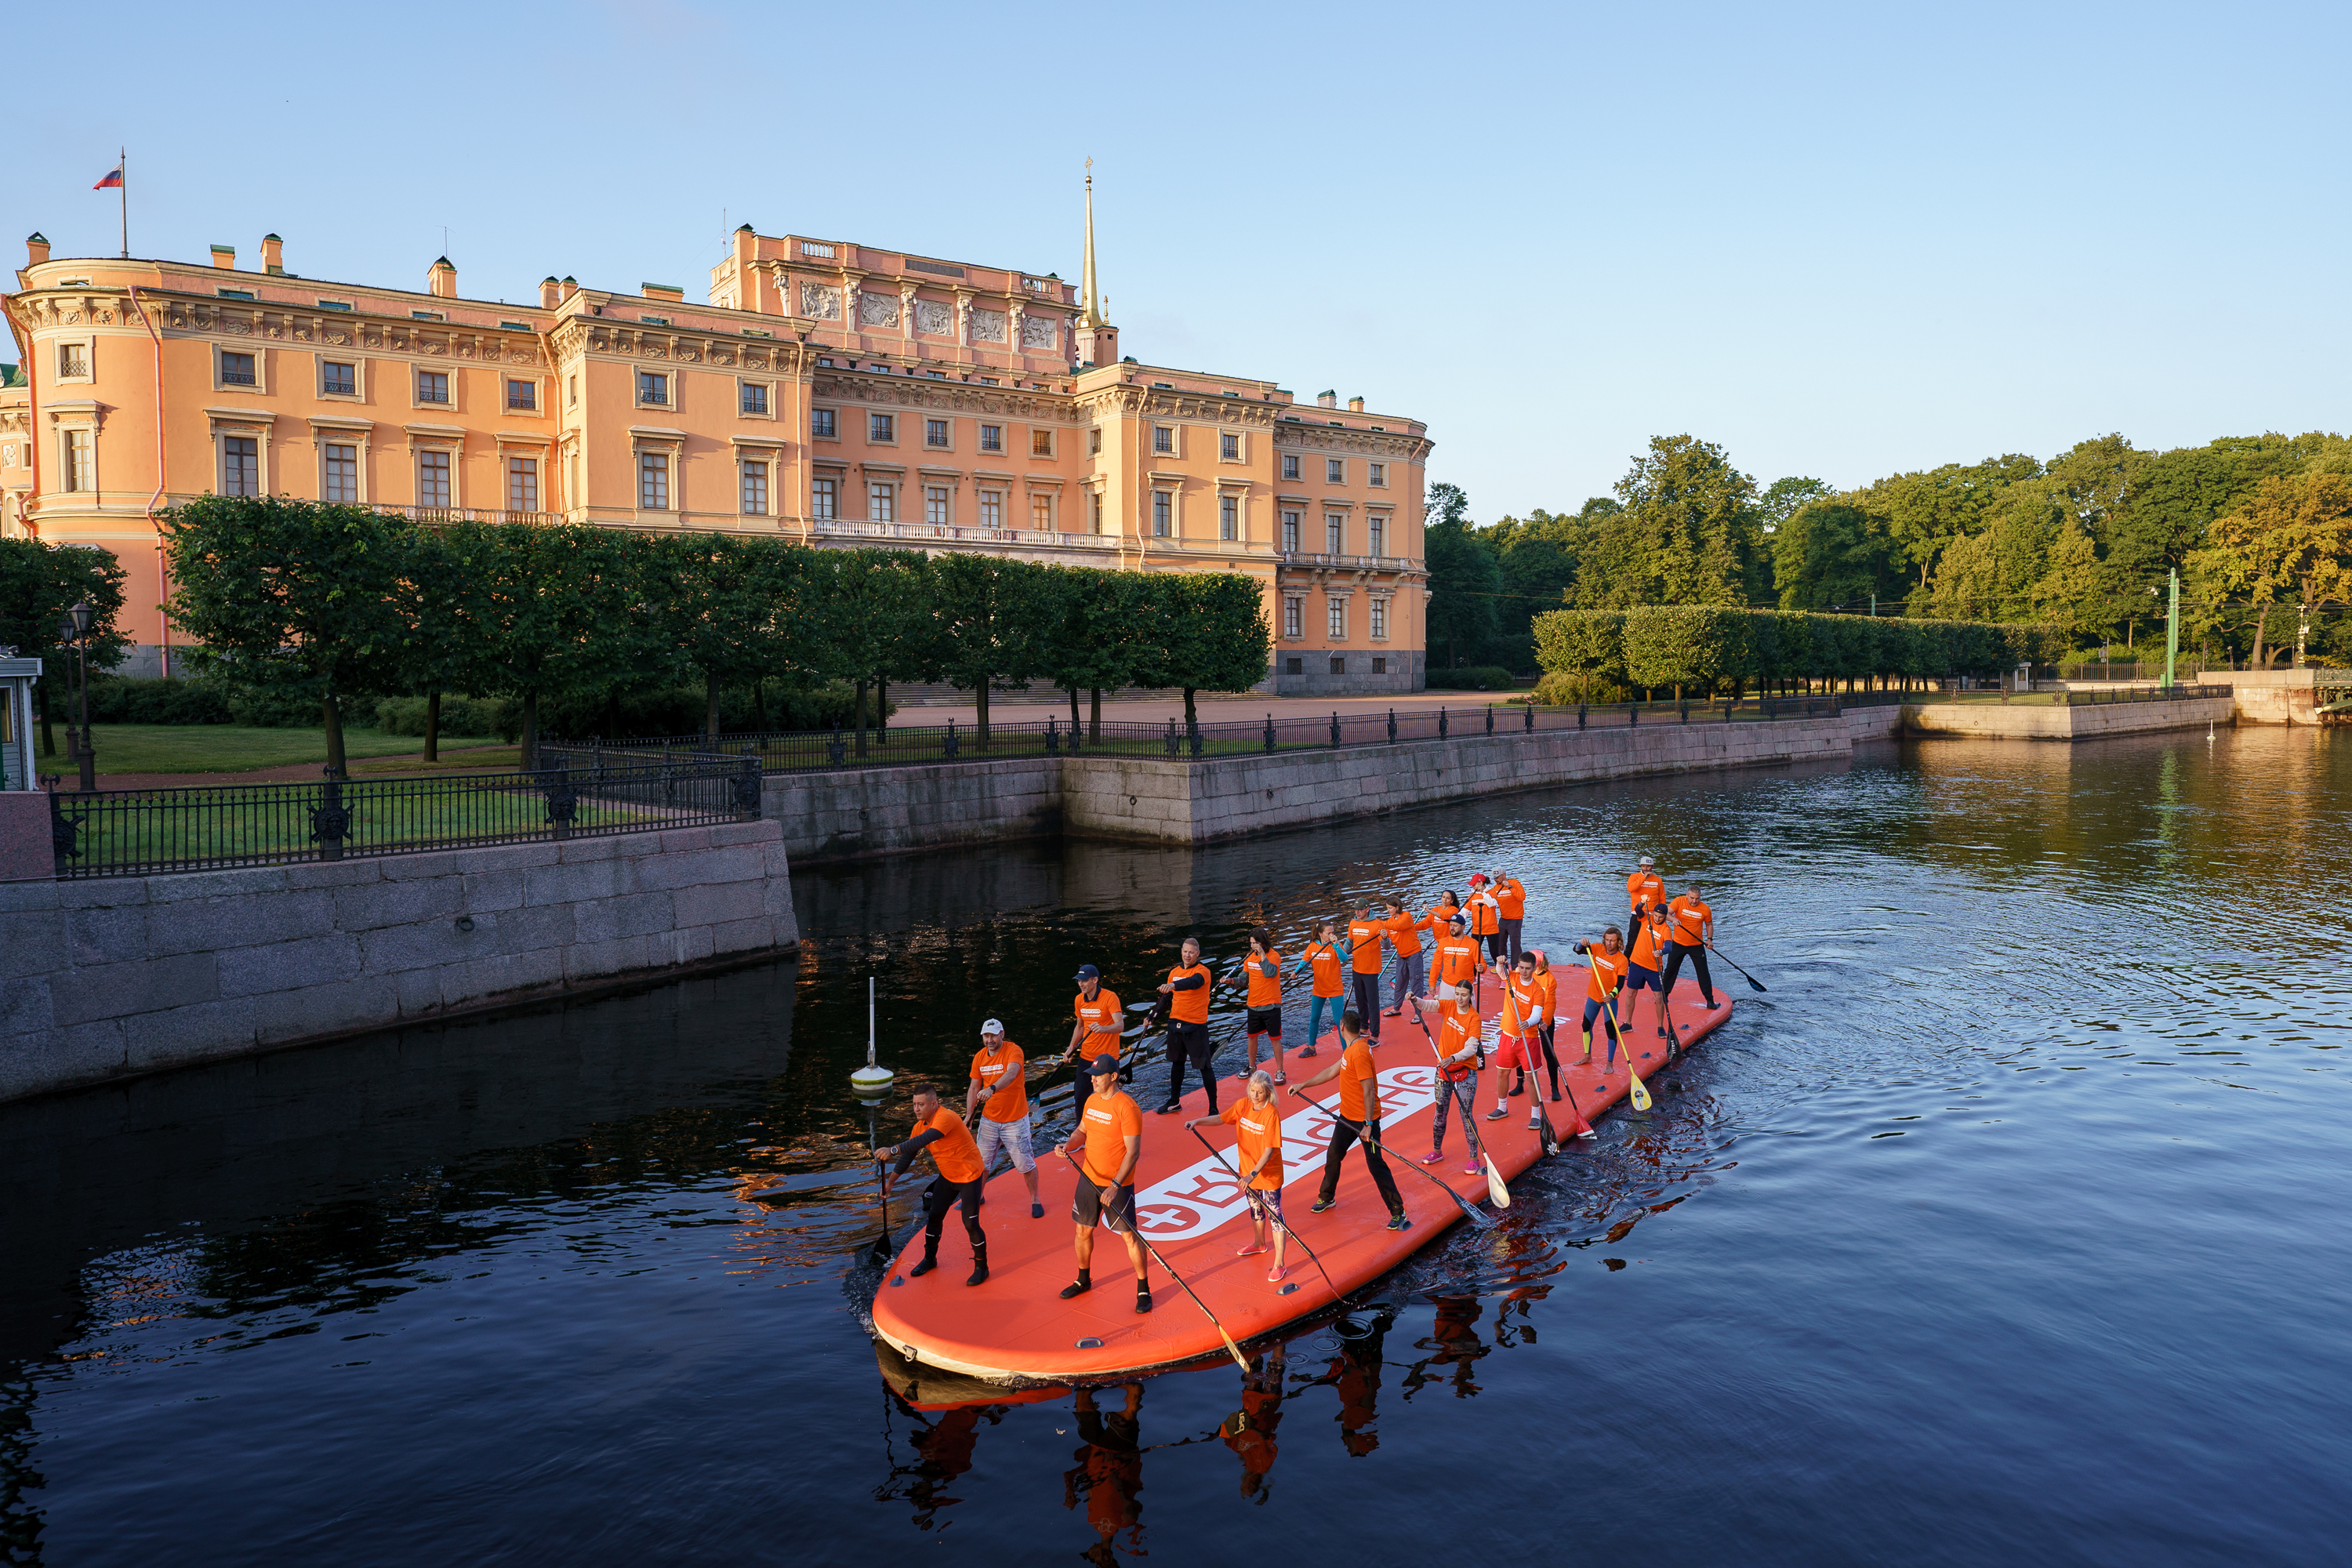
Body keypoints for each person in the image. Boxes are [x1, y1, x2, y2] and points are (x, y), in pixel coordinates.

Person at [1293, 1007, 1408, 1228]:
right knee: (1334, 1154)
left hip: (1365, 1121)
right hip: (1347, 1117)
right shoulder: (1351, 1048)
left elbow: (1369, 1090)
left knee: (1376, 1165)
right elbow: (1330, 1071)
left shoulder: (1360, 1053)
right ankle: (1327, 1197)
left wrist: (1368, 1124)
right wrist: (1303, 1085)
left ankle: (1398, 1211)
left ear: (1342, 1027)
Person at [874, 1079, 991, 1287]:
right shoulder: (919, 1126)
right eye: (914, 1104)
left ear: (934, 1104)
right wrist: (890, 1182)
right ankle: (930, 1259)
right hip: (947, 1176)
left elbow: (925, 1139)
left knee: (970, 1224)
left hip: (969, 1175)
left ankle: (982, 1267)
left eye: (921, 1105)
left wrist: (892, 1149)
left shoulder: (945, 1118)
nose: (916, 1109)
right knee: (934, 1216)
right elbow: (909, 1154)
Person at [1060, 1052, 1152, 1312]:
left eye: (1098, 1077)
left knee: (1129, 1237)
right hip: (1089, 1177)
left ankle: (1143, 1288)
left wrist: (1115, 1185)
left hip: (1117, 1184)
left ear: (1113, 1077)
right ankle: (1083, 1280)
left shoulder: (1128, 1108)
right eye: (1092, 1076)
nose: (1093, 1081)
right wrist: (1068, 1144)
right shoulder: (1091, 1101)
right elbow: (1082, 1131)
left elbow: (1133, 1152)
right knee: (1082, 1230)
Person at [1188, 1069, 1289, 1283]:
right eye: (1252, 1090)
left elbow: (1269, 1151)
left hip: (1267, 1175)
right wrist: (1198, 1121)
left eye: (1259, 1092)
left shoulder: (1272, 1113)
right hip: (1247, 1173)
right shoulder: (1243, 1106)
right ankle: (1260, 1243)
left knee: (1275, 1216)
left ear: (1268, 1092)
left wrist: (1252, 1175)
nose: (1255, 1095)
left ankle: (1279, 1263)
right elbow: (1222, 1119)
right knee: (1255, 1209)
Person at [967, 1019, 1044, 1218]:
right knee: (980, 1164)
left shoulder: (1013, 1051)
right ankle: (979, 1196)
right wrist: (969, 1115)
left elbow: (1011, 1074)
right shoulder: (979, 1058)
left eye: (993, 1035)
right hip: (989, 1120)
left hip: (1015, 1120)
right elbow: (974, 1087)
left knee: (1025, 1164)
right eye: (986, 1036)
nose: (990, 1040)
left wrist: (992, 1088)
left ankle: (1035, 1199)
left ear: (1002, 1034)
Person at [1411, 989, 1487, 1175]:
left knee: (1466, 1116)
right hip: (1443, 1073)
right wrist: (1415, 999)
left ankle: (1474, 1159)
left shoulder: (1474, 1019)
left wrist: (1453, 1058)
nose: (1460, 998)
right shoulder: (1449, 1006)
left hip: (1465, 1073)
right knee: (1440, 1114)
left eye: (1464, 995)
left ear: (1471, 996)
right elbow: (1428, 1005)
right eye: (1457, 994)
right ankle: (1437, 1151)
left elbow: (1471, 1048)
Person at [1065, 1384, 1144, 1563]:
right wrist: (1113, 1471)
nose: (1090, 1553)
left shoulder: (1093, 1521)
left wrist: (1070, 1490)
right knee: (1131, 1405)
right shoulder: (1126, 1522)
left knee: (1082, 1401)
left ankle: (1098, 1377)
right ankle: (1129, 1381)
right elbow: (1126, 1495)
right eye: (1093, 1558)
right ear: (1108, 1559)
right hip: (1120, 1454)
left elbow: (1091, 1486)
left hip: (1096, 1451)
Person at [1156, 937, 1216, 1115]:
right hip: (1175, 1025)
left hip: (1196, 1026)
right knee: (1177, 1064)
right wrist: (1152, 1016)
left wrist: (1173, 985)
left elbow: (1192, 983)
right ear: (1181, 951)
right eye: (1185, 951)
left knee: (1205, 1067)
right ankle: (1174, 1102)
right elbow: (1166, 999)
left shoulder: (1203, 972)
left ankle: (1213, 1107)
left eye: (1191, 952)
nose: (1187, 955)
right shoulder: (1174, 971)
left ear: (1197, 953)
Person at [1486, 953, 1547, 1123]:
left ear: (1534, 968)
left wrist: (1527, 1023)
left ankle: (1536, 1115)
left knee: (1531, 1077)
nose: (1524, 972)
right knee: (1502, 1072)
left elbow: (1536, 1015)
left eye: (1528, 969)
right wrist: (1500, 961)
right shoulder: (1511, 977)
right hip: (1508, 1035)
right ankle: (1502, 1107)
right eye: (1522, 968)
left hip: (1528, 1038)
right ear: (1518, 966)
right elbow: (1500, 970)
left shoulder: (1538, 990)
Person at [1570, 927, 1632, 1066]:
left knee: (1610, 1032)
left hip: (1609, 1001)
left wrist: (1612, 995)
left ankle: (1609, 1063)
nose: (1609, 943)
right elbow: (1577, 950)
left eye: (1612, 941)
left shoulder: (1622, 960)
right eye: (1607, 940)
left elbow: (1621, 982)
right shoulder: (1598, 948)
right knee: (1586, 1026)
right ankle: (1587, 1056)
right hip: (1593, 996)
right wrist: (1581, 943)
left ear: (1618, 942)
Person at [1661, 881, 1722, 1011]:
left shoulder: (1705, 909)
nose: (1694, 901)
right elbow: (1665, 914)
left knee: (1703, 972)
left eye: (1697, 899)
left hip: (1696, 945)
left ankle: (1710, 1001)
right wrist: (1673, 919)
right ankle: (1664, 996)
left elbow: (1709, 924)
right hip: (1677, 943)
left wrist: (1709, 940)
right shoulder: (1678, 901)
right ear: (1687, 895)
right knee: (1670, 970)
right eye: (1692, 898)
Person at [1239, 928, 1288, 1084]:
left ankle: (1280, 1070)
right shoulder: (1248, 958)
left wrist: (1262, 955)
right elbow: (1243, 979)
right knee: (1252, 1037)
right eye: (1251, 943)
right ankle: (1252, 1066)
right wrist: (1231, 981)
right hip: (1253, 1005)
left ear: (1263, 942)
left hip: (1271, 1005)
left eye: (1256, 943)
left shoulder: (1274, 956)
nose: (1253, 946)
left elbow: (1270, 973)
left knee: (1275, 1039)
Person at [1294, 921, 1345, 1058]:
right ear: (1321, 934)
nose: (1332, 935)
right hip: (1319, 989)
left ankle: (1347, 1051)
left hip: (1335, 989)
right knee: (1314, 1018)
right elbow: (1304, 962)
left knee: (1339, 1020)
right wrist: (1297, 972)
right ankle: (1311, 1048)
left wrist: (1336, 946)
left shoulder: (1336, 945)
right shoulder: (1312, 946)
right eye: (1329, 933)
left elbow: (1344, 958)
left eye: (1333, 932)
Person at [1625, 903, 1673, 1041]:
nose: (1657, 919)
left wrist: (1661, 952)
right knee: (1631, 993)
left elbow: (1669, 946)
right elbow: (1637, 910)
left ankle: (1660, 1027)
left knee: (1659, 998)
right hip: (1637, 963)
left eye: (1661, 917)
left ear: (1665, 917)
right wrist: (1641, 902)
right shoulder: (1647, 918)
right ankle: (1628, 1023)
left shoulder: (1666, 929)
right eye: (1656, 916)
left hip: (1654, 968)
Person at [1064, 964, 1125, 1069]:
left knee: (1103, 1086)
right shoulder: (1079, 999)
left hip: (1107, 1057)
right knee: (1080, 1087)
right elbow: (1080, 1027)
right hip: (1086, 1057)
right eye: (1079, 981)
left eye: (1084, 981)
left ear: (1095, 980)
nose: (1081, 984)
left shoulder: (1110, 997)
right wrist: (1071, 1048)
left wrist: (1102, 1029)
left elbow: (1120, 1026)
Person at [1345, 904, 1386, 1042]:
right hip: (1357, 968)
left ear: (1367, 909)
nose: (1357, 912)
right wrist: (1340, 954)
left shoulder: (1377, 924)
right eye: (1355, 910)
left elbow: (1387, 947)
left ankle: (1375, 1035)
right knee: (1360, 1000)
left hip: (1371, 969)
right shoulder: (1353, 923)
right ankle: (1364, 1027)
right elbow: (1349, 942)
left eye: (1360, 910)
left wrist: (1385, 938)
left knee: (1373, 1002)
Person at [1380, 897, 1425, 1017]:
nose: (1388, 910)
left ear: (1397, 907)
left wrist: (1381, 924)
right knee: (1399, 983)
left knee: (1416, 982)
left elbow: (1399, 926)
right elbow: (1387, 947)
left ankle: (1418, 1013)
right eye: (1387, 908)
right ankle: (1396, 1008)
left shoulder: (1406, 916)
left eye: (1390, 908)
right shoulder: (1389, 922)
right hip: (1401, 955)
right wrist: (1384, 938)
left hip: (1414, 953)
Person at [1530, 948, 1563, 1100]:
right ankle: (1519, 1083)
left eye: (1533, 965)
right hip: (1528, 1019)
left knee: (1549, 1053)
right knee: (1524, 1050)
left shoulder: (1550, 980)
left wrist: (1546, 1021)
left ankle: (1554, 1087)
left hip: (1544, 1019)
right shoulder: (1527, 975)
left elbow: (1550, 1003)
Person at [1490, 869, 1527, 967]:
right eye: (1494, 878)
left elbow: (1522, 897)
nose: (1495, 880)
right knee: (1500, 943)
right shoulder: (1495, 888)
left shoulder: (1514, 883)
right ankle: (1503, 966)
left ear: (1504, 875)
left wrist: (1510, 887)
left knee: (1515, 943)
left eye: (1497, 877)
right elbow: (1491, 902)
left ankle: (1516, 966)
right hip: (1503, 918)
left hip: (1516, 918)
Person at [1626, 856, 1665, 948]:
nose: (1646, 869)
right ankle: (1627, 961)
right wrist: (1643, 878)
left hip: (1652, 915)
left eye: (1648, 866)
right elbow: (1631, 888)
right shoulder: (1634, 877)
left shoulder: (1658, 880)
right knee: (1632, 941)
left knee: (1650, 942)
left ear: (1652, 867)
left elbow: (1662, 898)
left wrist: (1662, 914)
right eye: (1644, 866)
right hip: (1637, 914)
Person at [1465, 873, 1502, 965]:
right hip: (1477, 929)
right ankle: (1472, 973)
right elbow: (1465, 911)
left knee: (1495, 953)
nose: (1472, 886)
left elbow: (1492, 904)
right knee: (1474, 952)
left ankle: (1502, 971)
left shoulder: (1491, 892)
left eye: (1474, 884)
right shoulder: (1472, 895)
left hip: (1491, 929)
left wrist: (1483, 893)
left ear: (1480, 883)